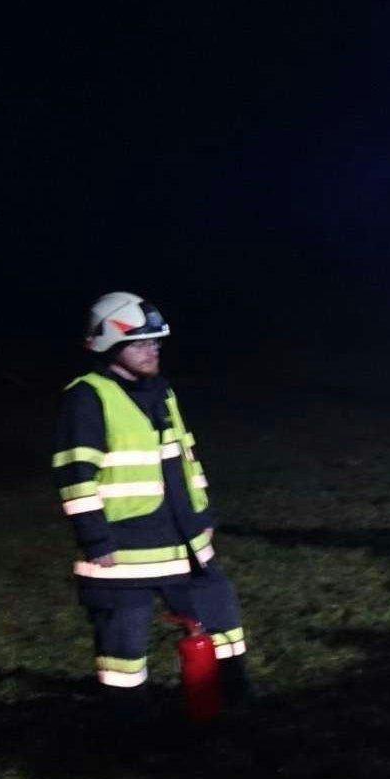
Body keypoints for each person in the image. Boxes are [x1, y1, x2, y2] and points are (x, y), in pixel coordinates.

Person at [52, 294, 254, 719]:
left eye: (156, 343)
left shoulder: (163, 392)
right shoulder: (88, 398)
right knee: (123, 650)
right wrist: (95, 538)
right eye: (140, 343)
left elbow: (186, 459)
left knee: (222, 623)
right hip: (124, 553)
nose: (152, 350)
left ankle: (231, 708)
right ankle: (130, 729)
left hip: (185, 543)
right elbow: (75, 475)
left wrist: (204, 518)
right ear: (109, 346)